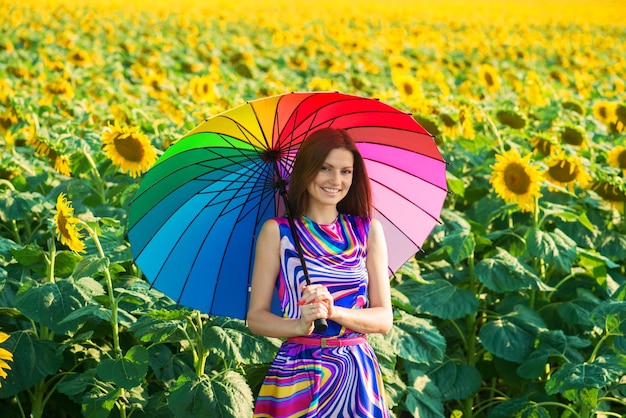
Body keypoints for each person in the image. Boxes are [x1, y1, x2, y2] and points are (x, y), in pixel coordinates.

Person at [247, 127, 393, 417]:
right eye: (325, 168)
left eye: (346, 171)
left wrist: (334, 311)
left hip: (354, 374)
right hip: (296, 372)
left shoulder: (368, 231)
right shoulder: (277, 232)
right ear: (306, 170)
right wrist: (298, 326)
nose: (336, 181)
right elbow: (256, 318)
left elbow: (383, 318)